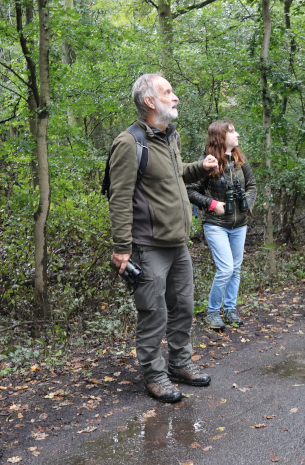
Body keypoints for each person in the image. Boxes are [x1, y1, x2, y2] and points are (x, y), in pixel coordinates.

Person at [107, 73, 219, 403]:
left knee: (183, 307)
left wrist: (201, 167)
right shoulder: (129, 144)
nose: (175, 97)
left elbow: (174, 173)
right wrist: (121, 249)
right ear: (150, 101)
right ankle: (155, 375)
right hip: (148, 244)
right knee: (153, 312)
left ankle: (180, 365)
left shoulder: (169, 137)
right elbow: (120, 197)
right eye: (168, 92)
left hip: (177, 243)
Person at [186, 121, 256, 331]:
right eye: (232, 131)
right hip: (215, 223)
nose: (237, 135)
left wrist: (248, 205)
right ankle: (213, 312)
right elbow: (190, 190)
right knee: (226, 268)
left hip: (239, 224)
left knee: (235, 268)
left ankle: (230, 309)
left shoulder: (239, 160)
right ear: (220, 137)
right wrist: (212, 204)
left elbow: (252, 185)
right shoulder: (207, 162)